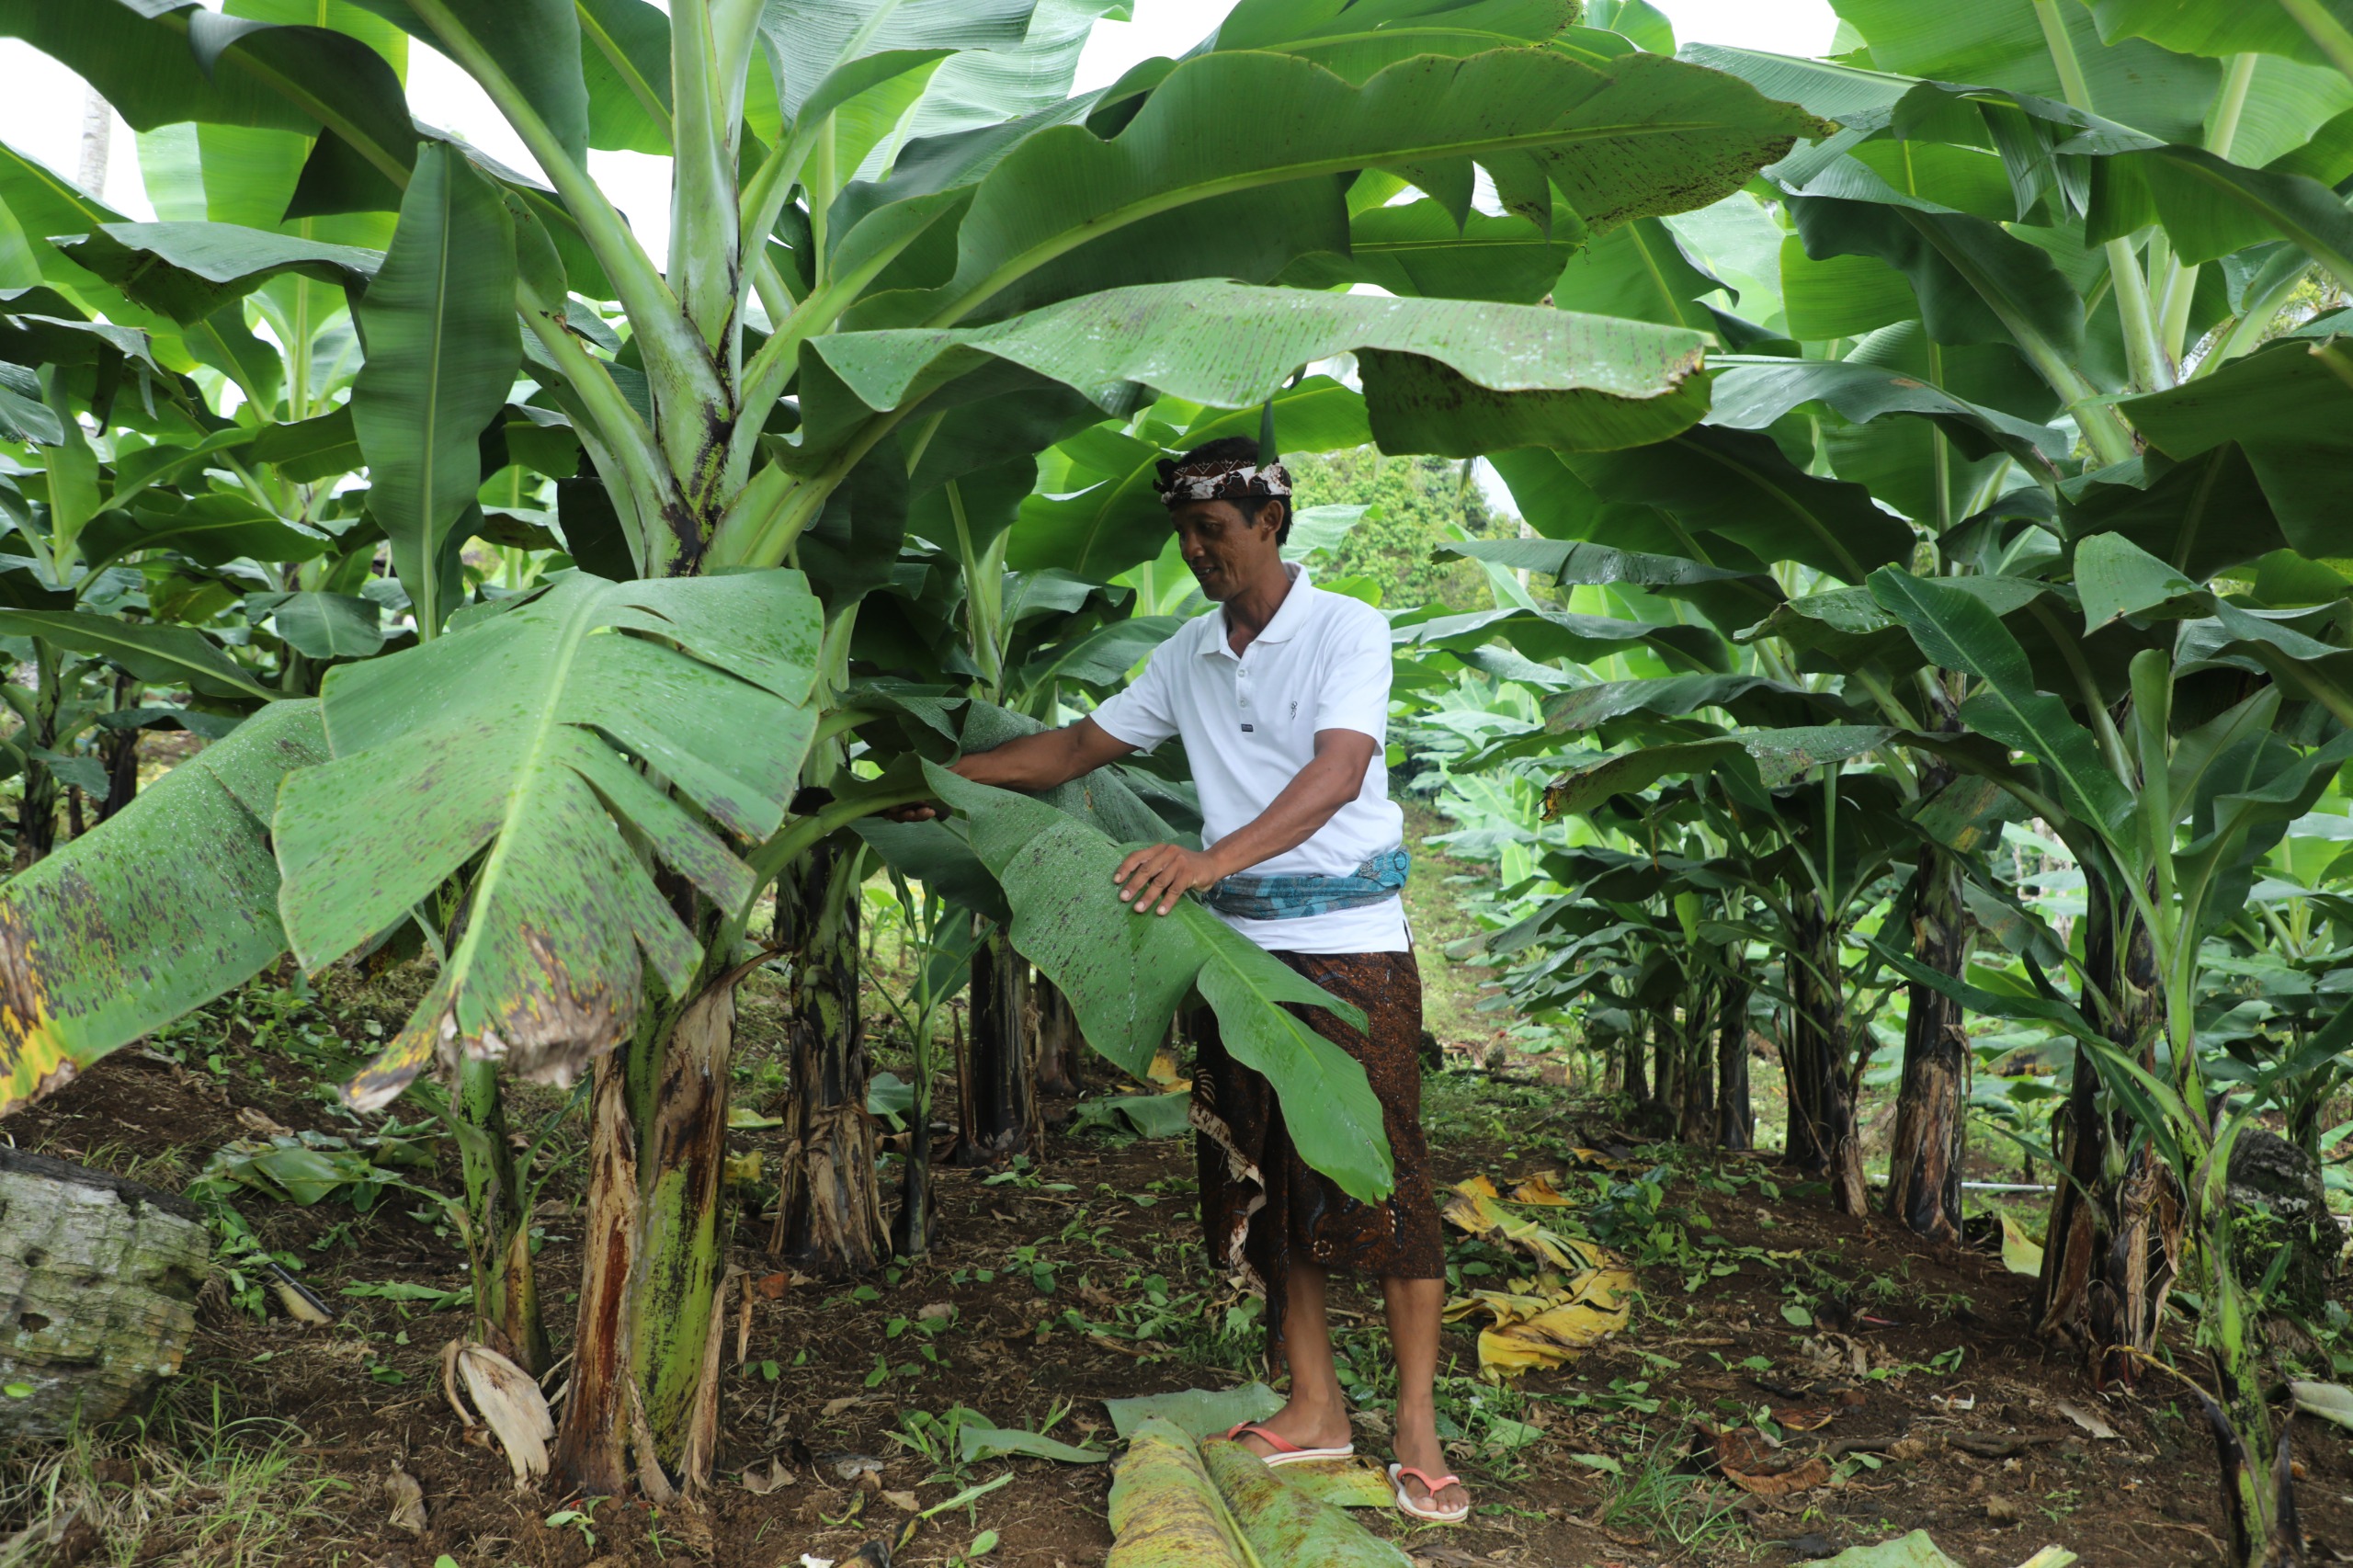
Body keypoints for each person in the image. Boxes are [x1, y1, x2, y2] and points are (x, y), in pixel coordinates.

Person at [907, 436, 1465, 1523]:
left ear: (1269, 522)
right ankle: (1313, 1405)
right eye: (1185, 535)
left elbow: (1338, 768)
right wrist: (936, 783)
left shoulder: (1345, 628)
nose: (1198, 551)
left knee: (1384, 1168)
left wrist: (1210, 856)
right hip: (1235, 948)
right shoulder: (1189, 652)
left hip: (1350, 935)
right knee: (1270, 1164)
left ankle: (1415, 1422)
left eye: (1214, 530)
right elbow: (1072, 749)